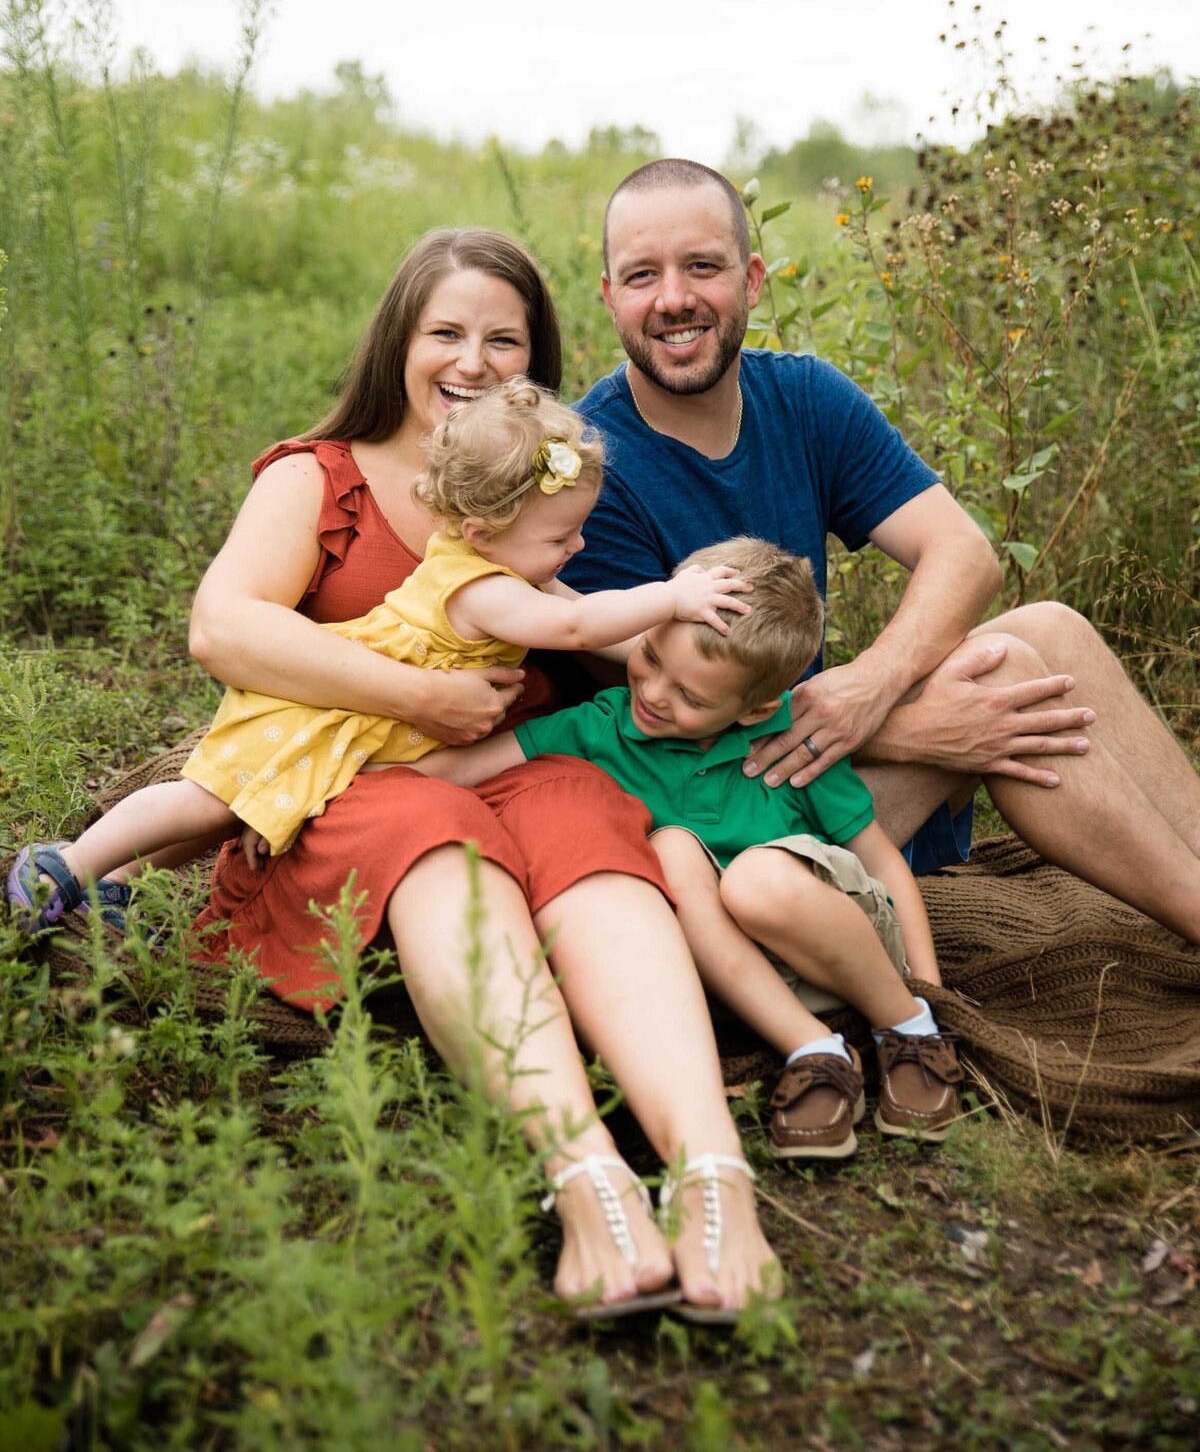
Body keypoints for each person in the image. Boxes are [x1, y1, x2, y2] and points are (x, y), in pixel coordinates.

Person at [49, 228, 784, 1323]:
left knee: (595, 843)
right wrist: (415, 697)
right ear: (400, 336)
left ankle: (717, 1177)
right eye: (447, 331)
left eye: (505, 337)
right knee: (438, 845)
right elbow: (223, 628)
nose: (473, 360)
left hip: (513, 760)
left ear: (535, 359)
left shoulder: (553, 475)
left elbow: (602, 622)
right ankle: (588, 1179)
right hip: (366, 772)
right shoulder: (320, 475)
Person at [563, 158, 1200, 943]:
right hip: (720, 817)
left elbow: (965, 553)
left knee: (1050, 629)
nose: (674, 299)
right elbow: (661, 715)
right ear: (608, 295)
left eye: (703, 266)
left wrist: (874, 686)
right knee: (1005, 675)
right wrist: (913, 729)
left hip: (806, 753)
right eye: (641, 275)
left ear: (753, 278)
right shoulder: (590, 465)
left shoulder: (801, 397)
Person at [7, 379, 747, 904]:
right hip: (331, 716)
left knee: (228, 810)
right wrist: (675, 595)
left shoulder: (490, 561)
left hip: (360, 734)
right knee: (204, 804)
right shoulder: (487, 591)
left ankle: (107, 881)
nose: (578, 546)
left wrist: (691, 659)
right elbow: (578, 626)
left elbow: (578, 609)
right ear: (486, 532)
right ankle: (67, 865)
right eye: (561, 535)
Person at [417, 535, 965, 1160]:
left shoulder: (790, 740)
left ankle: (908, 1031)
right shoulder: (598, 726)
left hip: (838, 940)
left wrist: (928, 991)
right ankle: (814, 1049)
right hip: (729, 976)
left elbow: (881, 861)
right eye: (650, 657)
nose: (651, 695)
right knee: (672, 847)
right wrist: (333, 758)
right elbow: (458, 769)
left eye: (692, 697)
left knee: (755, 880)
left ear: (756, 710)